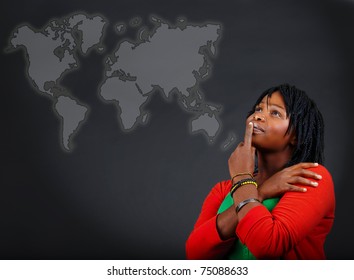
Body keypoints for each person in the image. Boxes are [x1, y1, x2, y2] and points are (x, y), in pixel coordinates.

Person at [185, 84, 335, 260]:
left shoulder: (309, 177)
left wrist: (241, 178)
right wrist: (260, 192)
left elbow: (267, 245)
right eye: (258, 109)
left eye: (275, 113)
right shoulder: (223, 190)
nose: (258, 116)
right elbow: (194, 255)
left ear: (296, 134)